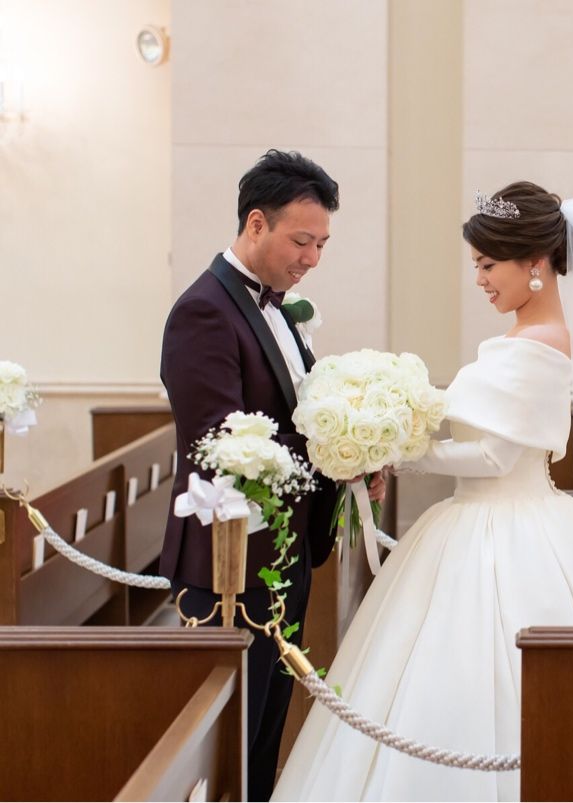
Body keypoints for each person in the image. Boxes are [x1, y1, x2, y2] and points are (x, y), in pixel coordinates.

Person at [272, 182, 573, 802]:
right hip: (493, 518)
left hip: (501, 524)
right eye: (476, 266)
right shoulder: (531, 334)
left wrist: (398, 453)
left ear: (534, 262)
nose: (480, 280)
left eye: (488, 265)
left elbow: (494, 457)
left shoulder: (540, 343)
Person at [160, 149, 384, 801]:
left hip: (282, 555)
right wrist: (335, 456)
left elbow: (297, 418)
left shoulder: (280, 308)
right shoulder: (204, 310)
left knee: (265, 736)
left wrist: (354, 452)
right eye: (301, 240)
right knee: (227, 744)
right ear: (256, 223)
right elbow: (222, 443)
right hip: (228, 564)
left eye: (322, 244)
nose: (312, 257)